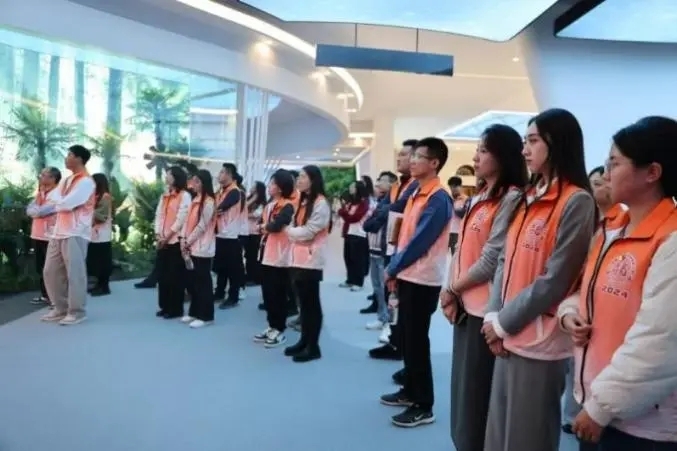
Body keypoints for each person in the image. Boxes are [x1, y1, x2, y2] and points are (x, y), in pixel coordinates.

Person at [559, 116, 677, 451]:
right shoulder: (613, 230)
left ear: (652, 173)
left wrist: (600, 408)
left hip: (644, 424)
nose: (605, 173)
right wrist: (569, 314)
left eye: (615, 163)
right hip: (600, 402)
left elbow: (659, 340)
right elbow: (585, 290)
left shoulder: (670, 241)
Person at [482, 108, 597, 451]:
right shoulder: (529, 197)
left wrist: (503, 322)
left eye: (533, 141)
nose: (525, 150)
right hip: (507, 331)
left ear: (556, 143)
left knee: (527, 438)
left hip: (538, 340)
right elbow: (504, 260)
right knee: (499, 436)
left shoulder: (576, 201)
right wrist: (492, 316)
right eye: (525, 141)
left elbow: (556, 280)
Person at [440, 124, 528, 451]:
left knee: (476, 396)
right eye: (477, 150)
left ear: (503, 156)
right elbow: (462, 248)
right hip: (465, 304)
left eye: (484, 151)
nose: (476, 157)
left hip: (485, 311)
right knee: (463, 391)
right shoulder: (480, 196)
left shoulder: (512, 198)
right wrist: (451, 290)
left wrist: (453, 289)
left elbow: (491, 258)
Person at [380, 137, 452, 427]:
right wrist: (396, 269)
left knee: (417, 341)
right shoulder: (416, 193)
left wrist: (393, 267)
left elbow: (420, 241)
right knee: (408, 338)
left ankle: (424, 404)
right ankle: (410, 390)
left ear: (434, 163)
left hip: (423, 279)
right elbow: (403, 234)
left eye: (418, 157)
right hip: (408, 274)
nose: (412, 161)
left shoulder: (438, 198)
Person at [561, 165, 613, 434]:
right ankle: (572, 415)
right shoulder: (587, 223)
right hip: (577, 305)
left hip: (601, 316)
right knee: (575, 365)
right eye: (594, 183)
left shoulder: (618, 228)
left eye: (601, 182)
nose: (598, 186)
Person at [368, 140, 418, 363]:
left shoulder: (416, 186)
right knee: (391, 293)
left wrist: (382, 212)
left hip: (404, 249)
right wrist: (381, 212)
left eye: (405, 155)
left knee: (402, 300)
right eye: (399, 154)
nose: (400, 158)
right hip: (389, 243)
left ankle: (399, 343)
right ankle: (393, 338)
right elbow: (384, 207)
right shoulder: (398, 185)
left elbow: (395, 208)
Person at [41, 145, 95, 325]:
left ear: (79, 158)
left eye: (70, 154)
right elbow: (53, 198)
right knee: (50, 271)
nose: (66, 158)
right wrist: (61, 202)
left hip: (76, 232)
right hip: (58, 232)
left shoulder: (86, 182)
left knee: (75, 273)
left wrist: (61, 203)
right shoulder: (66, 180)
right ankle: (60, 308)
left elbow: (68, 204)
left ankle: (77, 311)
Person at [284, 165, 332, 362]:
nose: (299, 180)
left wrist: (288, 231)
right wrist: (292, 231)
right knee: (303, 304)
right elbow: (296, 227)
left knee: (311, 305)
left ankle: (313, 346)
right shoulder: (303, 201)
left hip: (311, 260)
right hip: (297, 257)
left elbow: (308, 232)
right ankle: (304, 341)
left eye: (303, 177)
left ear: (313, 180)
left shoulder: (321, 203)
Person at [254, 169, 295, 348]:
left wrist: (264, 227)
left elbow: (277, 225)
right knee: (268, 293)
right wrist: (263, 227)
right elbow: (262, 224)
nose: (269, 186)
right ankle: (271, 325)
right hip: (266, 253)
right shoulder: (270, 205)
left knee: (278, 293)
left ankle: (279, 328)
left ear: (280, 187)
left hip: (280, 256)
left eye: (272, 183)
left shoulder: (288, 205)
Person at [180, 169, 216, 328]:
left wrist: (188, 240)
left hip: (203, 247)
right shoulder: (195, 199)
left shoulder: (209, 202)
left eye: (197, 181)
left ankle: (206, 316)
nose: (193, 184)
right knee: (193, 282)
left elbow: (202, 226)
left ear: (203, 183)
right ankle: (194, 312)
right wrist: (183, 239)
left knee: (203, 282)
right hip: (191, 245)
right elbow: (187, 221)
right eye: (193, 181)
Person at [154, 166, 191, 319]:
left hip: (175, 241)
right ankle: (164, 306)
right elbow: (159, 215)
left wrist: (167, 236)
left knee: (175, 276)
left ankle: (175, 309)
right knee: (162, 276)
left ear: (176, 177)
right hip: (162, 240)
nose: (166, 176)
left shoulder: (184, 196)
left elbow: (181, 219)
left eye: (168, 174)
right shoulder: (165, 195)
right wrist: (158, 234)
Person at [361, 171, 398, 314]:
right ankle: (380, 313)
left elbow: (374, 223)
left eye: (382, 180)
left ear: (392, 184)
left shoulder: (394, 204)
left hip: (384, 250)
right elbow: (367, 224)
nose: (378, 183)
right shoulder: (381, 202)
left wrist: (374, 219)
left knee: (385, 286)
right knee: (376, 284)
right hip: (373, 247)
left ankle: (385, 317)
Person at [26, 167, 61, 307]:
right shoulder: (40, 193)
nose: (40, 177)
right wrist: (35, 210)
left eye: (44, 175)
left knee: (52, 268)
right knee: (40, 267)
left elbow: (40, 212)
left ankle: (56, 298)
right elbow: (29, 210)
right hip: (37, 234)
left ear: (53, 178)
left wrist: (36, 211)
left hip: (50, 236)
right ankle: (45, 295)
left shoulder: (57, 194)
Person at [213, 163, 244, 309]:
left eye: (222, 172)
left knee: (233, 269)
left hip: (231, 236)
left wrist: (211, 211)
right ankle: (219, 292)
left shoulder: (234, 192)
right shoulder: (221, 191)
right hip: (220, 234)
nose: (219, 175)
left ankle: (233, 297)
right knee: (221, 268)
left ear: (229, 175)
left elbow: (220, 208)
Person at [338, 180, 370, 291]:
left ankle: (358, 282)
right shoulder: (351, 203)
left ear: (357, 189)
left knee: (358, 260)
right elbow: (347, 215)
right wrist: (343, 212)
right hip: (349, 233)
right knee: (348, 258)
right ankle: (350, 280)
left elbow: (354, 218)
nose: (350, 188)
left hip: (358, 234)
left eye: (352, 187)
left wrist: (342, 212)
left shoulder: (363, 203)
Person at [87, 173, 113, 297]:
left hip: (103, 235)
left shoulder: (105, 197)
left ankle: (104, 286)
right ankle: (98, 284)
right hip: (93, 234)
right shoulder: (95, 196)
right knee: (95, 261)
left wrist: (89, 211)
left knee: (103, 261)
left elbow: (102, 215)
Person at [244, 181, 266, 286]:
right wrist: (252, 198)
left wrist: (246, 214)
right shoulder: (249, 199)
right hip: (247, 231)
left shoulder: (261, 203)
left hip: (255, 233)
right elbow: (242, 209)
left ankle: (253, 277)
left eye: (254, 186)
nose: (251, 187)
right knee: (248, 256)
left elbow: (256, 215)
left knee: (252, 256)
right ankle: (248, 275)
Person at [447, 176, 468, 253]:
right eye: (451, 187)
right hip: (447, 231)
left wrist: (454, 207)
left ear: (460, 186)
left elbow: (464, 215)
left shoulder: (465, 199)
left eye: (455, 187)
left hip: (458, 232)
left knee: (455, 255)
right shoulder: (449, 199)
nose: (453, 190)